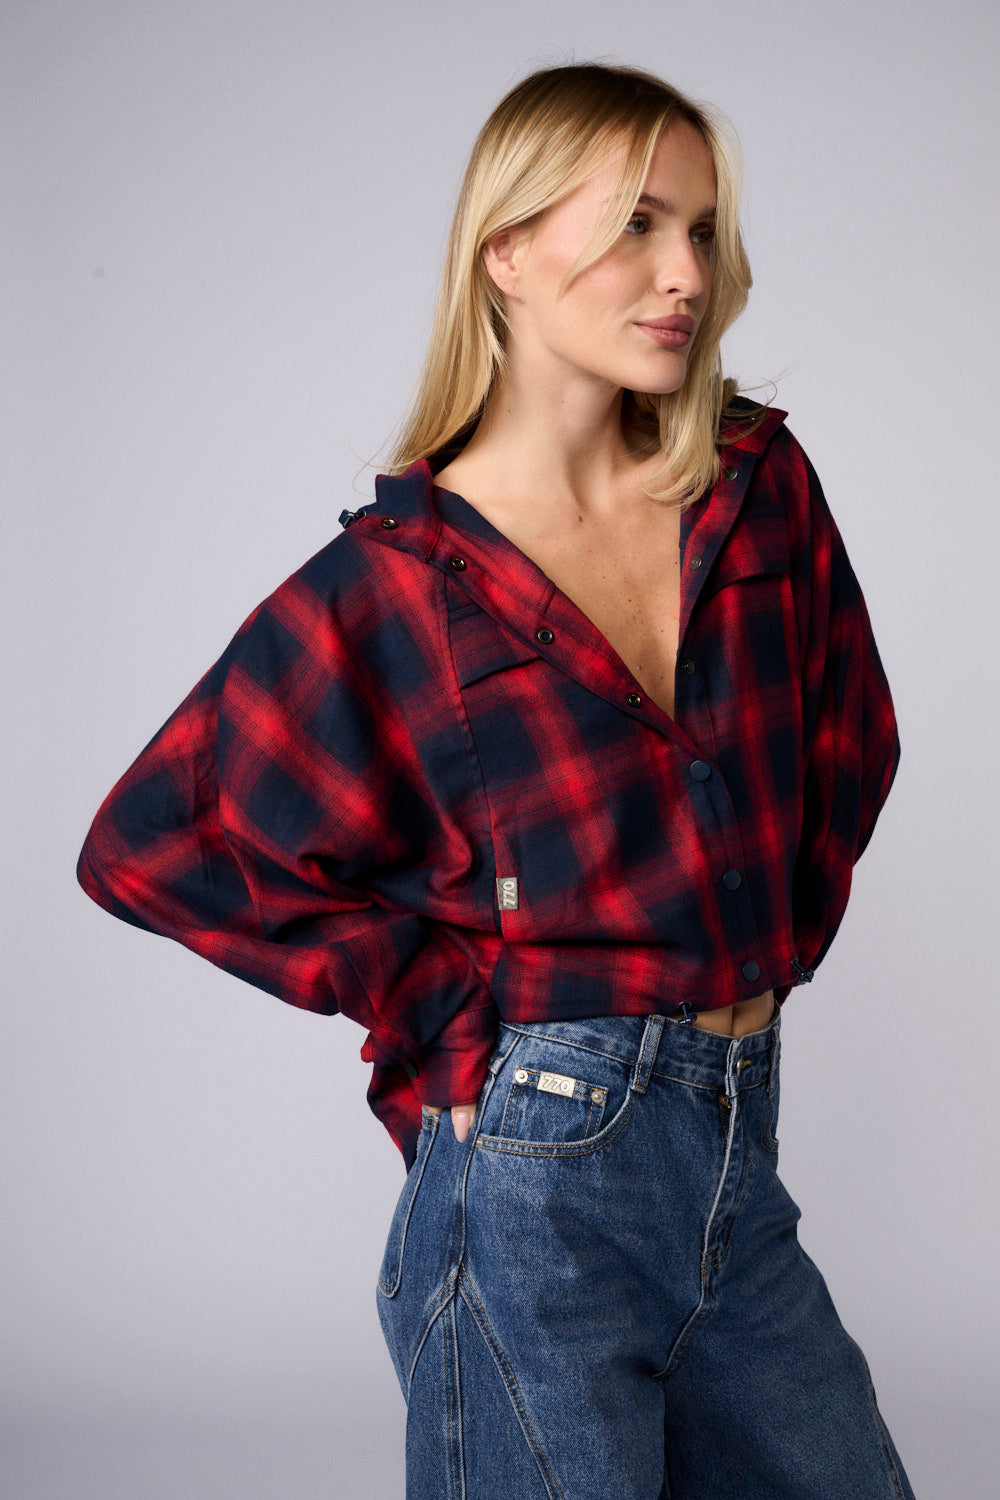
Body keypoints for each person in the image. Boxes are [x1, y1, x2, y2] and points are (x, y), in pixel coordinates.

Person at [75, 60, 916, 1500]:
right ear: (508, 252)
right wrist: (439, 1006)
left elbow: (854, 739)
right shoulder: (406, 579)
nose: (687, 273)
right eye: (637, 224)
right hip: (535, 1190)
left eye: (702, 230)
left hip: (738, 1157)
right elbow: (152, 844)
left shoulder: (755, 490)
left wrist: (756, 958)